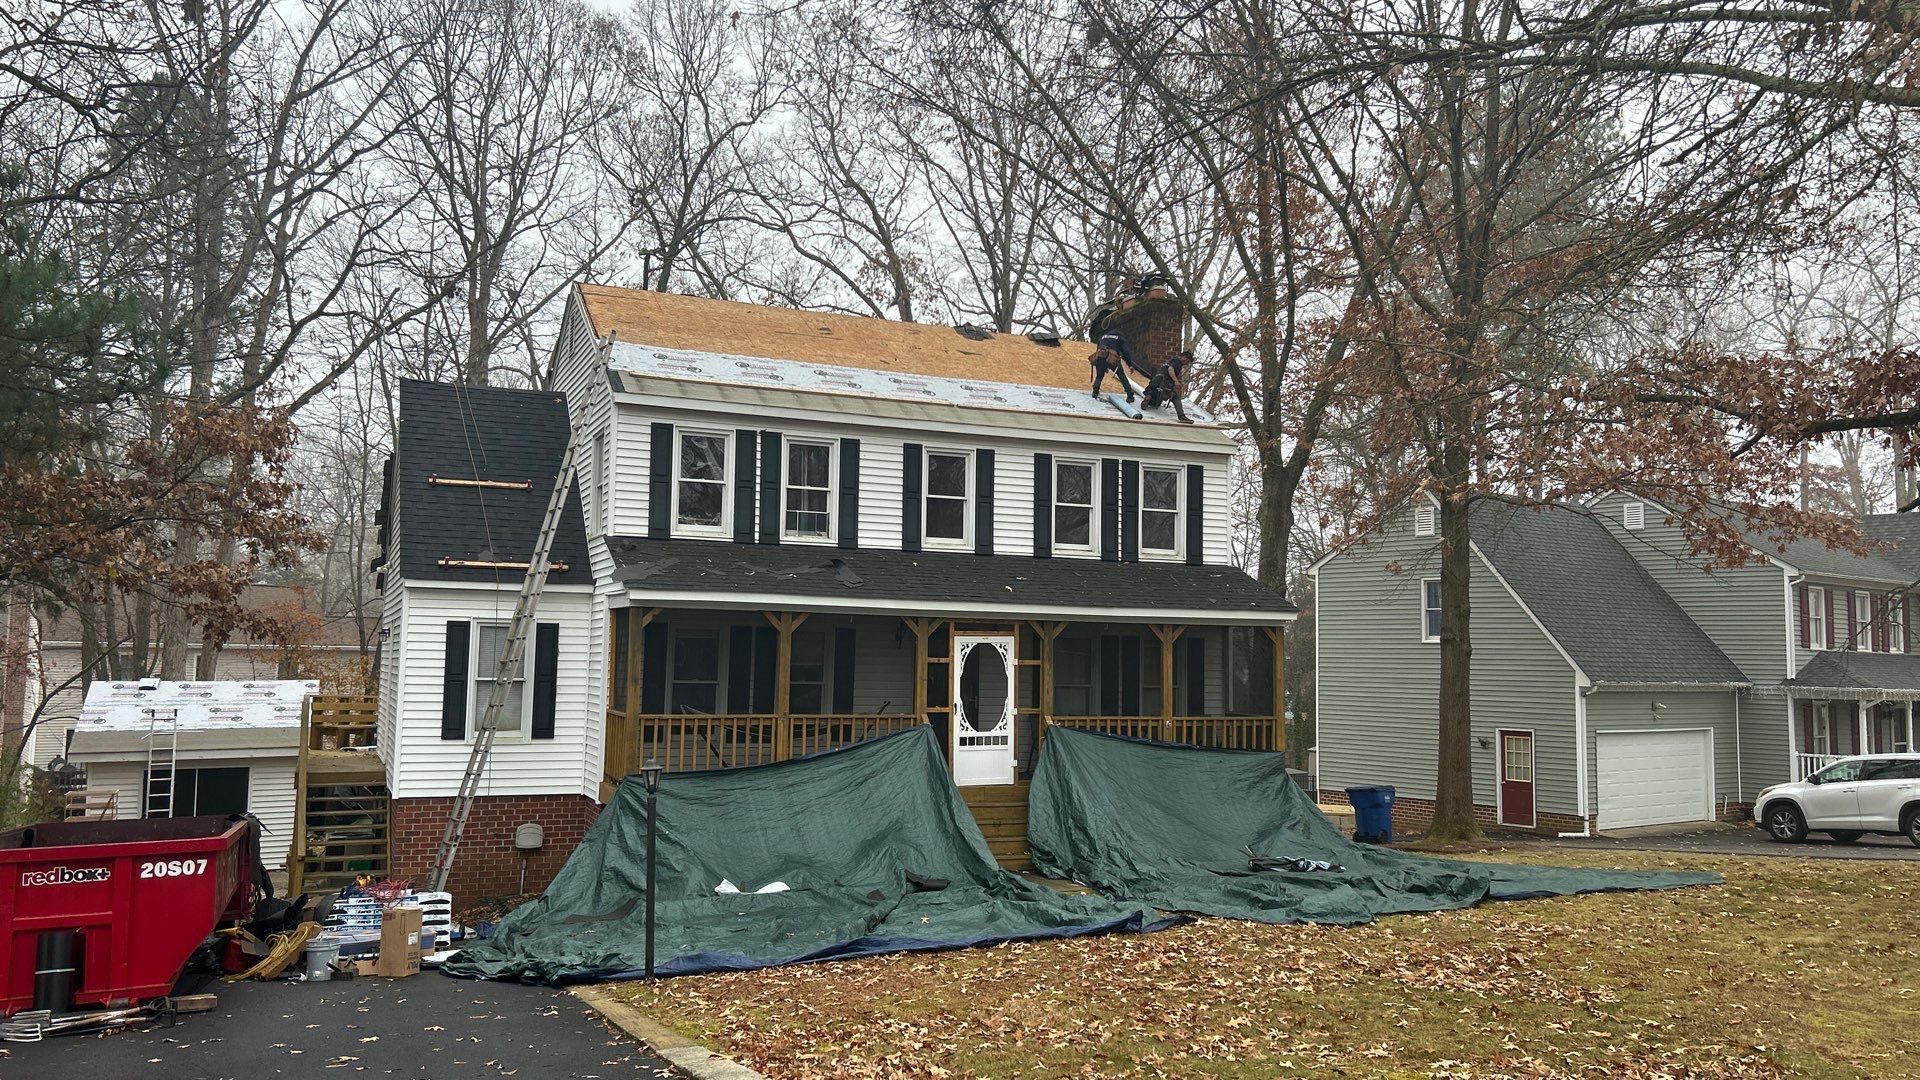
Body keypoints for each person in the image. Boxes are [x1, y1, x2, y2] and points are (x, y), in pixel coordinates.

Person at [1142, 349, 1193, 423]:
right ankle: (1181, 416)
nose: (1187, 364)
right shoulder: (1178, 361)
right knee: (1176, 397)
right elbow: (1170, 369)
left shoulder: (1171, 360)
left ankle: (1148, 397)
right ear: (1184, 357)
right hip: (1164, 382)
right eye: (1187, 361)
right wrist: (1176, 381)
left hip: (1155, 381)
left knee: (1155, 403)